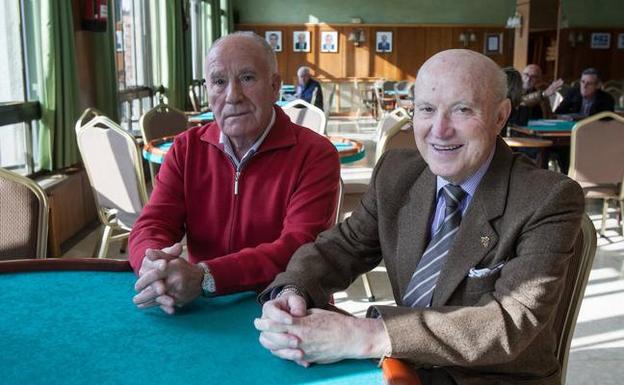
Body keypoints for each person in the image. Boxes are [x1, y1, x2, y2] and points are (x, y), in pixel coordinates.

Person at [254, 49, 585, 385]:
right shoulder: (396, 173)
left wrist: (364, 335)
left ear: (500, 116)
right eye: (426, 109)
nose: (439, 130)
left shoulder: (548, 198)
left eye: (462, 110)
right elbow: (342, 247)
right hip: (405, 367)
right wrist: (292, 291)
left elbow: (508, 322)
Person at [129, 32, 340, 315]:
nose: (233, 96)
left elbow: (297, 247)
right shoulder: (186, 148)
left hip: (283, 305)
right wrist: (153, 264)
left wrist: (205, 276)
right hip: (202, 308)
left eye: (247, 78)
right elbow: (152, 224)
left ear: (275, 86)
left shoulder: (315, 154)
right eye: (219, 82)